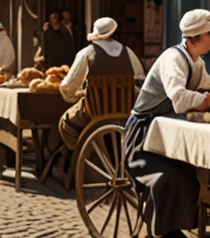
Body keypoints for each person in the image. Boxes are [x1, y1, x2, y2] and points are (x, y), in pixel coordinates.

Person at [125, 10, 210, 238]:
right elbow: (179, 98)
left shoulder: (196, 61)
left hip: (168, 135)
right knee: (169, 178)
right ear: (194, 39)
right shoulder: (172, 59)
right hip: (143, 137)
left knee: (193, 174)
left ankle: (169, 237)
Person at [58, 17, 145, 150]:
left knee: (65, 125)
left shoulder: (87, 53)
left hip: (95, 116)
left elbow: (67, 88)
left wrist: (78, 96)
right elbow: (140, 83)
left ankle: (80, 155)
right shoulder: (128, 53)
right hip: (123, 115)